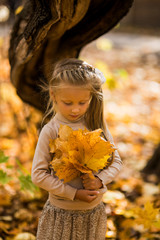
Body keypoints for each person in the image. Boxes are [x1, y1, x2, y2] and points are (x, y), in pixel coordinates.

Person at [31, 58, 122, 240]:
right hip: (61, 215)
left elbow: (116, 162)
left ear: (91, 97)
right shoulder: (51, 131)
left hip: (92, 214)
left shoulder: (96, 125)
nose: (75, 109)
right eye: (68, 102)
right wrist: (74, 194)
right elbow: (38, 174)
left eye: (82, 102)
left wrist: (99, 180)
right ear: (53, 95)